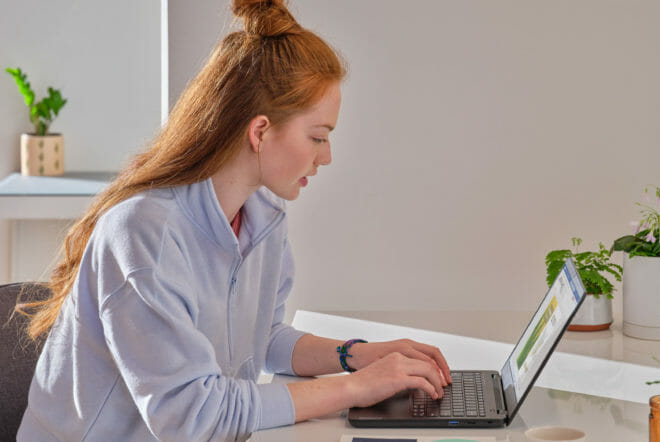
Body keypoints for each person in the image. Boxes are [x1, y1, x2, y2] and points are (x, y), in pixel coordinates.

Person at [16, 1, 452, 440]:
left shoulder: (263, 217)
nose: (327, 156)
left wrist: (355, 356)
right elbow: (194, 418)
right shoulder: (145, 234)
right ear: (260, 131)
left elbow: (261, 339)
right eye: (317, 137)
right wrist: (356, 389)